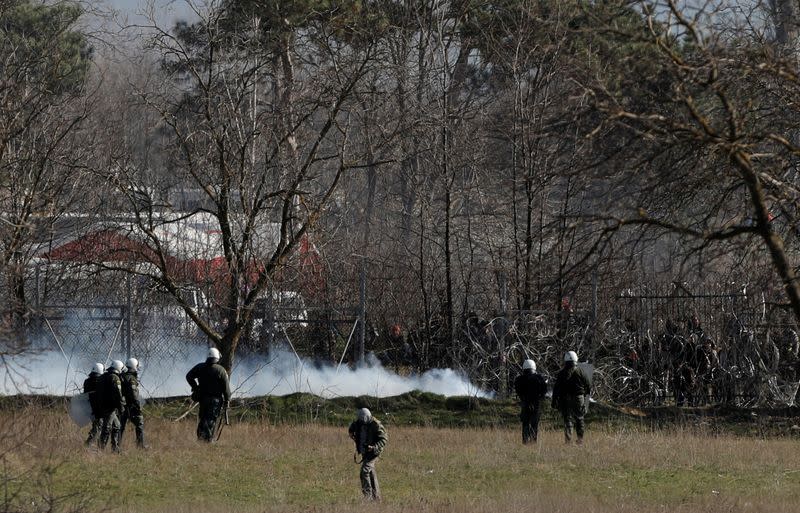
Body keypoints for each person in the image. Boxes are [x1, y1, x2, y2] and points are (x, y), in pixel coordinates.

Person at [186, 347, 231, 442]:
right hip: (215, 400)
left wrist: (195, 387)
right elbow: (226, 388)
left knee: (202, 418)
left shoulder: (199, 367)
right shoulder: (221, 370)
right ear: (217, 357)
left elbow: (189, 376)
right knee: (211, 419)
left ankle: (200, 439)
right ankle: (208, 440)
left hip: (203, 398)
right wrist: (227, 399)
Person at [551, 351, 591, 445]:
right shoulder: (581, 371)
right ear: (576, 359)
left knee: (568, 420)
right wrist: (585, 397)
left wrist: (554, 401)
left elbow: (556, 388)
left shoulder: (561, 373)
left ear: (566, 360)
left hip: (565, 399)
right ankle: (580, 441)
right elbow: (588, 386)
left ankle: (568, 441)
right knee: (579, 418)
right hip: (579, 398)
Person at [347, 408, 387, 501]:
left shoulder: (376, 424)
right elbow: (353, 426)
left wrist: (374, 447)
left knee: (364, 471)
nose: (360, 421)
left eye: (362, 419)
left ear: (366, 417)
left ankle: (368, 497)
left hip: (374, 452)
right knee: (371, 473)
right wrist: (350, 432)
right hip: (364, 451)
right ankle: (376, 498)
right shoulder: (359, 422)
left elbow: (384, 439)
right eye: (359, 419)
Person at [513, 359, 547, 444]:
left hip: (525, 403)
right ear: (534, 367)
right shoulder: (539, 378)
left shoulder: (519, 379)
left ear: (524, 367)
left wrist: (522, 398)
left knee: (525, 423)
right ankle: (533, 441)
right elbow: (544, 390)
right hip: (536, 403)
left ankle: (525, 441)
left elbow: (517, 390)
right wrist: (540, 397)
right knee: (534, 423)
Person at [98, 360, 125, 452]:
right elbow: (118, 394)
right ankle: (100, 449)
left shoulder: (103, 376)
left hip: (102, 405)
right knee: (107, 427)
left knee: (117, 425)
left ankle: (115, 448)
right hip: (110, 407)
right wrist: (121, 407)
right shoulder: (114, 378)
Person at [119, 357, 147, 449]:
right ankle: (141, 446)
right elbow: (133, 394)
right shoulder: (131, 378)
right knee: (139, 424)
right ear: (134, 366)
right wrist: (138, 406)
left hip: (121, 405)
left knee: (120, 427)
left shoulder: (122, 375)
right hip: (130, 406)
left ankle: (116, 446)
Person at [83, 362, 104, 447]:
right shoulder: (100, 381)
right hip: (98, 408)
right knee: (98, 426)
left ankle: (95, 444)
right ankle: (88, 444)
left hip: (89, 408)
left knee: (97, 425)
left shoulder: (87, 381)